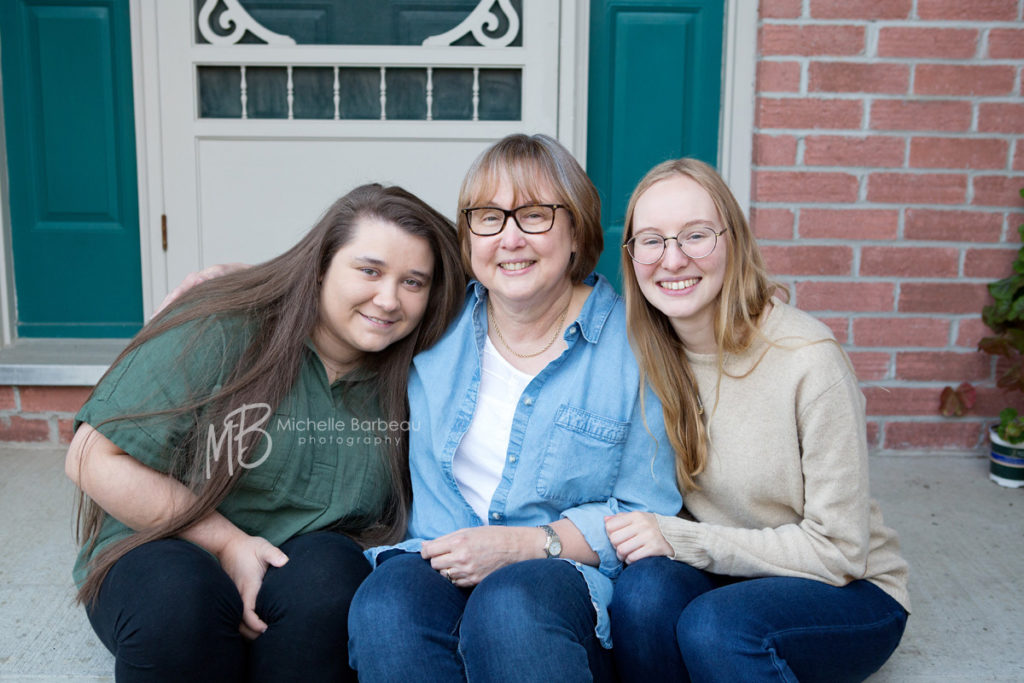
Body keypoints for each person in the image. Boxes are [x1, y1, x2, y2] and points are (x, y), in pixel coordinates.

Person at [64, 183, 465, 682]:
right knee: (180, 603)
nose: (388, 300)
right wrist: (229, 544)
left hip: (300, 565)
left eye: (413, 282)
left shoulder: (425, 365)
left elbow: (513, 287)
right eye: (369, 270)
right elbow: (91, 457)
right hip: (165, 543)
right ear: (319, 265)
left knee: (331, 588)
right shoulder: (225, 324)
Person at [346, 134, 683, 682]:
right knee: (387, 608)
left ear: (577, 230)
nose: (509, 237)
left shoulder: (637, 348)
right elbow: (341, 302)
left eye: (534, 215)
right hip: (439, 552)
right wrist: (227, 295)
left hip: (562, 570)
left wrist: (526, 544)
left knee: (508, 608)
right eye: (489, 217)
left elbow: (649, 510)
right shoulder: (433, 322)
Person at [604, 158, 910, 682]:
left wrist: (686, 541)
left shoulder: (807, 358)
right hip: (727, 572)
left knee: (716, 627)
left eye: (695, 235)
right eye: (651, 241)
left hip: (844, 588)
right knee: (639, 597)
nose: (672, 259)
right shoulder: (641, 354)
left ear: (734, 240)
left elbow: (839, 552)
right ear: (632, 257)